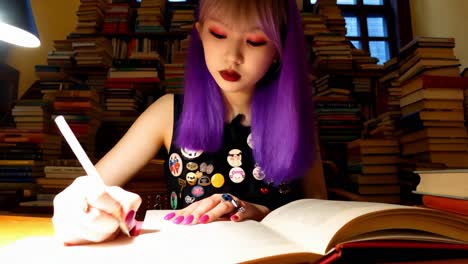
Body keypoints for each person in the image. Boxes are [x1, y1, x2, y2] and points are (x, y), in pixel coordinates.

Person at [52, 0, 327, 245]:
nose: (232, 56)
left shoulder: (298, 122)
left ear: (279, 50)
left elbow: (320, 215)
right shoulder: (167, 112)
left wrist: (262, 211)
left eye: (255, 41)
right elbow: (88, 192)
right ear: (200, 34)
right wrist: (77, 210)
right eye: (218, 34)